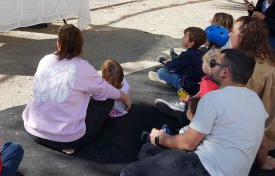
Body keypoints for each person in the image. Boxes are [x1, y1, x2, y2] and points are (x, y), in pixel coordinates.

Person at [120, 49, 269, 176]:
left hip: (204, 167)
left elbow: (188, 143)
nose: (210, 67)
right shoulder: (256, 100)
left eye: (213, 63)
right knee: (149, 150)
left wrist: (160, 139)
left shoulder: (213, 98)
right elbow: (262, 144)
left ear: (225, 72)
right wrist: (262, 164)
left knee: (131, 171)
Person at [22, 24, 132, 154]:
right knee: (106, 100)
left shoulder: (45, 60)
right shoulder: (82, 67)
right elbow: (105, 90)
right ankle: (69, 140)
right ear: (80, 46)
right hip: (65, 139)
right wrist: (124, 96)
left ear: (59, 44)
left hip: (32, 130)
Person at [229, 16, 275, 152]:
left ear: (243, 38)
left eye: (232, 31)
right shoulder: (266, 60)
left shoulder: (252, 69)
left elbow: (239, 111)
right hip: (274, 131)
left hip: (262, 139)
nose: (229, 34)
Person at [155, 49, 220, 118]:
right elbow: (200, 92)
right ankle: (183, 108)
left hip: (199, 110)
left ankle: (182, 110)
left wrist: (190, 102)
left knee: (161, 72)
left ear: (210, 69)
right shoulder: (208, 78)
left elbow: (203, 104)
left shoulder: (210, 86)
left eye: (203, 63)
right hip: (196, 97)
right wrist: (191, 98)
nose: (202, 64)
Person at [149, 27, 206, 95]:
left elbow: (170, 67)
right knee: (181, 67)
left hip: (187, 87)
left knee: (161, 71)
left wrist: (167, 63)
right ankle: (173, 61)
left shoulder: (187, 55)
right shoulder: (202, 53)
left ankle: (165, 72)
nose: (182, 38)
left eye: (185, 36)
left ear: (191, 42)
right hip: (200, 87)